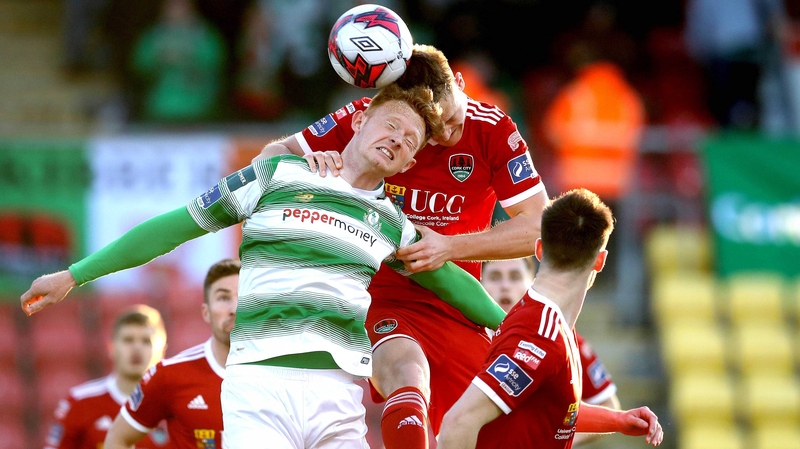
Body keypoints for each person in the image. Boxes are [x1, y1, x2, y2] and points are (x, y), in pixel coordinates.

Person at [22, 83, 506, 449]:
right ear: (359, 121)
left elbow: (457, 288)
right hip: (258, 390)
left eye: (411, 141)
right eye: (391, 124)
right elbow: (172, 227)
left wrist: (523, 330)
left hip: (338, 396)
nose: (399, 139)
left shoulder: (391, 224)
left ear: (406, 166)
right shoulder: (273, 175)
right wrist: (75, 273)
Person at [257, 43, 548, 448]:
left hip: (452, 300)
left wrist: (448, 247)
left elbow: (537, 226)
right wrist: (304, 164)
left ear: (461, 84)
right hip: (378, 294)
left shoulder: (494, 129)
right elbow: (273, 154)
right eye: (432, 126)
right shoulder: (381, 119)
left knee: (505, 420)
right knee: (407, 377)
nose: (443, 134)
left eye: (451, 121)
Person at [437, 189, 664, 448]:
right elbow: (458, 422)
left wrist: (617, 420)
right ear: (600, 261)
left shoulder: (548, 325)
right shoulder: (539, 334)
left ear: (539, 249)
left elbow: (550, 409)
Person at [480, 257, 621, 446]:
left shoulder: (560, 338)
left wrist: (556, 442)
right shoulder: (463, 338)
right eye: (495, 277)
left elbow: (609, 404)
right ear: (479, 283)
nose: (505, 286)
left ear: (531, 283)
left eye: (515, 277)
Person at [104, 258, 240, 449]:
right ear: (206, 312)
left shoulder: (287, 371)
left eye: (244, 297)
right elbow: (118, 438)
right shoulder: (169, 374)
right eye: (223, 298)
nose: (234, 309)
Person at [43, 305, 170, 449]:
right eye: (128, 340)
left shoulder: (177, 402)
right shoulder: (80, 401)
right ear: (111, 348)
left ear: (163, 350)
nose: (137, 348)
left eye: (146, 341)